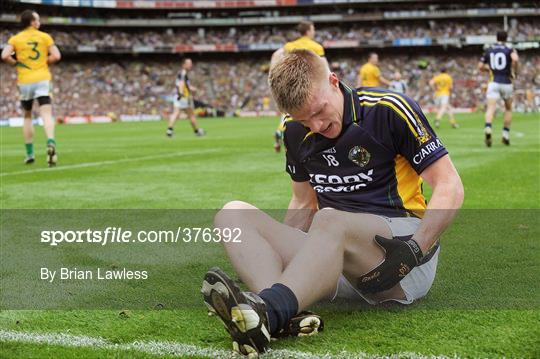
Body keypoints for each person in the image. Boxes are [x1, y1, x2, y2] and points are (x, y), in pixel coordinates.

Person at [202, 50, 464, 356]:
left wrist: (415, 248)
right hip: (334, 259)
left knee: (328, 218)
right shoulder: (294, 130)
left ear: (333, 81)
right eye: (303, 119)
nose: (315, 125)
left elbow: (450, 185)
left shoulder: (387, 109)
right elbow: (302, 204)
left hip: (400, 261)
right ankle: (279, 312)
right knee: (231, 215)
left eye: (318, 111)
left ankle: (270, 309)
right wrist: (268, 257)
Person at [1, 10, 61, 166]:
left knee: (27, 115)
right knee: (46, 113)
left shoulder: (16, 39)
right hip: (41, 77)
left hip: (25, 80)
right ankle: (50, 141)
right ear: (33, 22)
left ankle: (29, 154)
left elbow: (4, 55)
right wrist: (43, 63)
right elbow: (56, 56)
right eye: (38, 20)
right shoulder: (44, 37)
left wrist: (16, 63)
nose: (39, 22)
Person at [272, 20, 326, 153]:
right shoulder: (316, 47)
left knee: (291, 114)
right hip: (311, 86)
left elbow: (279, 60)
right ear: (308, 31)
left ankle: (283, 133)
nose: (314, 32)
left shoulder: (289, 46)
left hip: (291, 85)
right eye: (313, 29)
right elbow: (323, 68)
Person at [478, 31, 519, 146]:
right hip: (506, 82)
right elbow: (515, 59)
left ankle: (488, 128)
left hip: (493, 82)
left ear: (496, 38)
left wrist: (490, 69)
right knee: (508, 109)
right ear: (506, 38)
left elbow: (480, 66)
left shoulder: (489, 49)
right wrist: (514, 72)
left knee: (490, 108)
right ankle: (505, 134)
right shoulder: (510, 49)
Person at [166, 58, 205, 137]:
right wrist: (181, 93)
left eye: (191, 63)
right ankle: (197, 131)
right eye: (189, 63)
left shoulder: (182, 73)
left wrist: (194, 89)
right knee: (191, 115)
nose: (191, 65)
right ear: (183, 65)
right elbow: (181, 84)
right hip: (183, 97)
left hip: (178, 96)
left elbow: (186, 85)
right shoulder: (183, 73)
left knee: (176, 113)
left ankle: (169, 130)